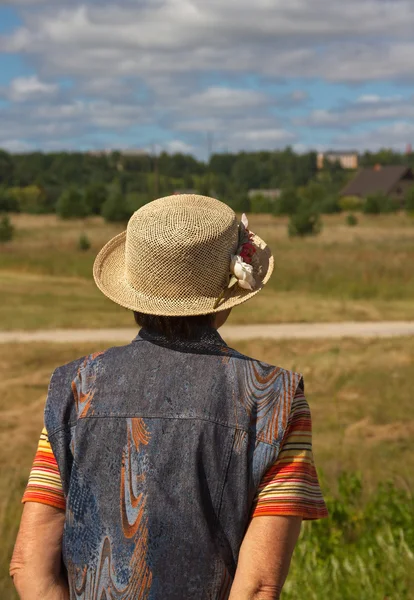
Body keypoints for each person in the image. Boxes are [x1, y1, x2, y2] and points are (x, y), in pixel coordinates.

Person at [10, 194, 328, 600]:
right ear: (227, 289)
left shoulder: (75, 387)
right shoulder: (273, 400)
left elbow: (28, 569)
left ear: (134, 287)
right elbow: (257, 587)